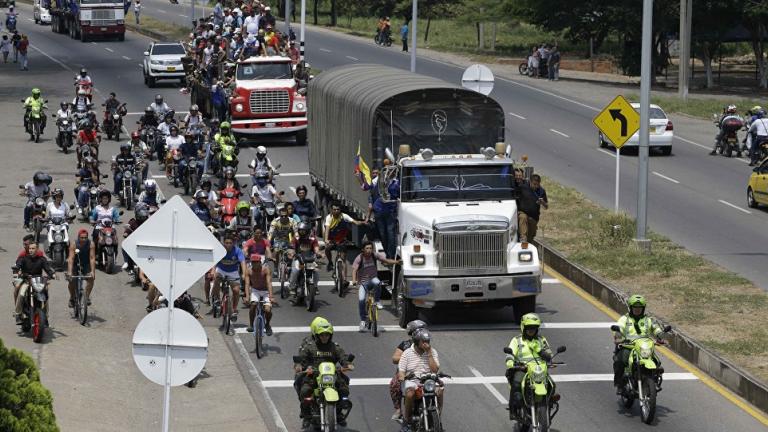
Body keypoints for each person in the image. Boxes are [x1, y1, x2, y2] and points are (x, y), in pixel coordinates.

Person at [293, 317, 353, 429]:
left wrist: (347, 364)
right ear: (317, 336)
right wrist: (300, 366)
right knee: (305, 390)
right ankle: (306, 416)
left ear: (330, 335)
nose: (324, 337)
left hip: (332, 374)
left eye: (327, 334)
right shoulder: (310, 347)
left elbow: (343, 357)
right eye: (322, 335)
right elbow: (301, 360)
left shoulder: (334, 347)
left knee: (344, 388)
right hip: (314, 375)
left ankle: (339, 412)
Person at [613, 295, 665, 394]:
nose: (637, 310)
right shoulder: (625, 319)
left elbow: (655, 328)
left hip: (644, 347)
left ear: (643, 308)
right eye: (635, 308)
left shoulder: (647, 320)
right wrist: (618, 337)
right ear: (631, 308)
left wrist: (661, 336)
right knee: (621, 361)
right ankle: (620, 384)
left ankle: (654, 380)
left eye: (640, 308)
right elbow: (619, 328)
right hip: (628, 346)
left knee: (656, 362)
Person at [505, 313, 554, 418]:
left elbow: (549, 355)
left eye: (534, 328)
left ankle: (548, 403)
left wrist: (540, 351)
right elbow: (510, 354)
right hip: (522, 368)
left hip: (539, 369)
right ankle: (513, 409)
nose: (531, 330)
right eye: (529, 328)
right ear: (523, 327)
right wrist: (511, 363)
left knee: (551, 384)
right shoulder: (517, 340)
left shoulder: (542, 340)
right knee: (517, 383)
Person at [398, 329, 440, 432]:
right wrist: (404, 376)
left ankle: (438, 417)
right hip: (412, 381)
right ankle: (407, 420)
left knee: (440, 390)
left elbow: (435, 370)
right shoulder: (407, 353)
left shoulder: (432, 351)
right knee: (410, 394)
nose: (427, 344)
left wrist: (429, 353)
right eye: (424, 341)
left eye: (428, 341)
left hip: (427, 380)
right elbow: (401, 371)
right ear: (417, 342)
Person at [352, 240, 400, 331]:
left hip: (373, 280)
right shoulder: (359, 258)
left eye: (370, 248)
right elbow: (354, 270)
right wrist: (354, 280)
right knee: (361, 300)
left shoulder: (375, 255)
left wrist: (397, 262)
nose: (369, 250)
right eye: (367, 248)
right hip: (363, 283)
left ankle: (377, 301)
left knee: (377, 282)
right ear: (363, 249)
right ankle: (362, 320)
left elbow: (386, 260)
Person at [389, 320, 427, 421]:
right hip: (407, 374)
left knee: (438, 388)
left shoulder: (426, 345)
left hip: (423, 373)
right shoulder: (405, 345)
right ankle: (399, 410)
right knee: (394, 384)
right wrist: (407, 357)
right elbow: (394, 359)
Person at [13, 242, 56, 324]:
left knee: (45, 297)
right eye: (30, 248)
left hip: (38, 281)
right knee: (21, 294)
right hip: (27, 281)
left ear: (37, 249)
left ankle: (45, 317)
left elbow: (47, 268)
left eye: (33, 248)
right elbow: (18, 264)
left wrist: (52, 274)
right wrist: (16, 268)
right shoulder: (23, 258)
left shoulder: (42, 259)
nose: (31, 250)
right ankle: (18, 313)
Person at [323, 202, 364, 286]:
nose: (336, 211)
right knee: (327, 249)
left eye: (338, 209)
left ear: (340, 210)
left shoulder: (344, 216)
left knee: (343, 259)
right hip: (331, 239)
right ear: (331, 210)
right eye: (334, 209)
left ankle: (344, 279)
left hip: (342, 240)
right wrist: (326, 240)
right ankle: (330, 262)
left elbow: (355, 222)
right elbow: (327, 229)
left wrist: (363, 222)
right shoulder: (329, 218)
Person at [209, 235, 248, 319]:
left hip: (233, 272)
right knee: (216, 279)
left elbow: (243, 262)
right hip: (221, 270)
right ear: (224, 243)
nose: (228, 245)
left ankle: (234, 309)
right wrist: (213, 270)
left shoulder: (238, 251)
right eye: (226, 243)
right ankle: (217, 300)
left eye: (230, 243)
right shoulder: (220, 250)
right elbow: (215, 261)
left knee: (236, 290)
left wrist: (244, 273)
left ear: (233, 243)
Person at [287, 221, 320, 303]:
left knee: (316, 271)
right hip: (298, 258)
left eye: (304, 231)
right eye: (300, 230)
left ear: (308, 231)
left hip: (310, 259)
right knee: (295, 270)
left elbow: (316, 248)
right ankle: (292, 287)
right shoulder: (296, 239)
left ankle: (315, 287)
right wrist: (291, 253)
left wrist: (319, 253)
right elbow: (292, 247)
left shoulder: (312, 239)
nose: (302, 232)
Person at [67, 229, 96, 308]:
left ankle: (86, 297)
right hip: (75, 264)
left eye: (85, 238)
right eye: (82, 238)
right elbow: (71, 258)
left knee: (91, 279)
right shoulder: (74, 244)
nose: (83, 239)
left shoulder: (91, 244)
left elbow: (92, 258)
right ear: (78, 237)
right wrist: (69, 272)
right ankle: (72, 298)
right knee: (71, 281)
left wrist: (93, 271)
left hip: (86, 264)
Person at [246, 254, 273, 335]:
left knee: (267, 310)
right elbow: (247, 284)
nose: (255, 264)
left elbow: (269, 283)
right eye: (253, 262)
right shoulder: (248, 270)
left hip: (266, 291)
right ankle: (251, 325)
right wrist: (247, 297)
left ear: (260, 262)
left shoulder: (265, 269)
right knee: (253, 305)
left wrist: (271, 296)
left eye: (256, 262)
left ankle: (267, 325)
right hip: (255, 290)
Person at [89, 190, 121, 261]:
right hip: (100, 227)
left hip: (110, 227)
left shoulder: (113, 209)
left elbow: (117, 217)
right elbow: (92, 216)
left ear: (109, 199)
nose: (105, 200)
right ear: (100, 199)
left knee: (115, 240)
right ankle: (95, 253)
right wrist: (92, 221)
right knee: (95, 235)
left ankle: (115, 252)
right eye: (103, 198)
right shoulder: (97, 208)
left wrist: (117, 220)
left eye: (106, 198)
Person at [515, 169, 542, 244]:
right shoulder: (513, 185)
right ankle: (523, 238)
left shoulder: (539, 190)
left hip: (533, 216)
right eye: (516, 176)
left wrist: (542, 202)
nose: (518, 177)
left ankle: (529, 242)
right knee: (522, 217)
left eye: (520, 176)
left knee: (531, 235)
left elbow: (546, 205)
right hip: (521, 212)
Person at [121, 203, 149, 273]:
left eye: (144, 216)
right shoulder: (133, 222)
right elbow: (127, 229)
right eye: (141, 215)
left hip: (146, 242)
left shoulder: (148, 221)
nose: (143, 217)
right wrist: (126, 233)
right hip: (134, 243)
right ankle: (126, 262)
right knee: (124, 246)